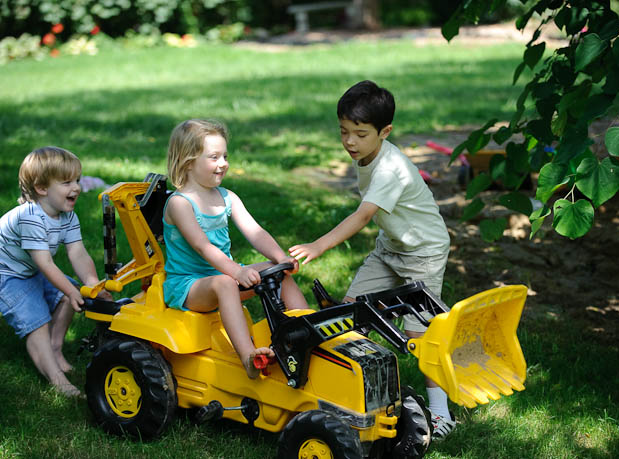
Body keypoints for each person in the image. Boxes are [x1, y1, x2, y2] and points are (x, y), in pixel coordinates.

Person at [289, 80, 456, 439]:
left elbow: (363, 216)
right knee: (348, 313)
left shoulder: (389, 167)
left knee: (419, 336)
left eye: (360, 134)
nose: (350, 142)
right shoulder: (368, 153)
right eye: (344, 132)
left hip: (422, 252)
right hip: (391, 248)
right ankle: (351, 393)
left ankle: (442, 414)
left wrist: (318, 246)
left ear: (385, 132)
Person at [163, 119, 308, 379]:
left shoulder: (227, 197)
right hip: (189, 286)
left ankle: (305, 331)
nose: (223, 163)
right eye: (214, 157)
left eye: (225, 156)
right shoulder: (180, 203)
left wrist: (279, 258)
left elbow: (255, 232)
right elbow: (202, 246)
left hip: (224, 275)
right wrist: (237, 273)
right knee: (225, 284)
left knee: (278, 273)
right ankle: (249, 358)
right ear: (188, 162)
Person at [0, 147, 110, 397]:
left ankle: (55, 349)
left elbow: (78, 253)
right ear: (41, 188)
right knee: (37, 320)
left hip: (27, 268)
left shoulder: (67, 216)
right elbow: (46, 265)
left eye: (78, 180)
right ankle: (56, 379)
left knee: (69, 296)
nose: (77, 187)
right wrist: (72, 290)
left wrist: (92, 286)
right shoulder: (31, 218)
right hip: (0, 273)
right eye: (67, 182)